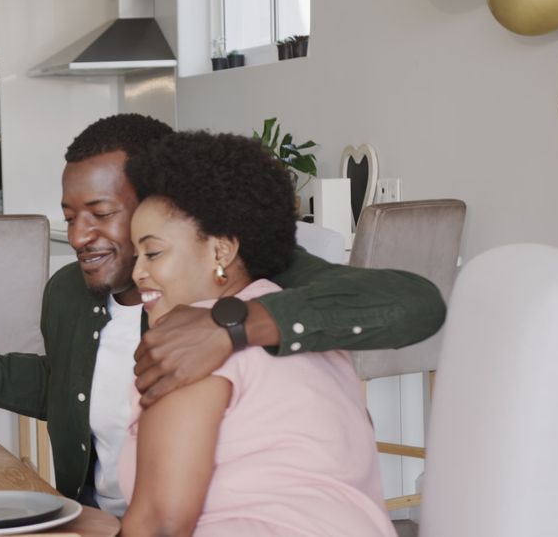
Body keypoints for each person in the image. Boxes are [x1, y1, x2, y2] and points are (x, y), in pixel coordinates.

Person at [0, 114, 445, 514]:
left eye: (101, 213)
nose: (79, 235)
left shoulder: (248, 272)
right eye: (69, 214)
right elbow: (70, 389)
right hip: (100, 518)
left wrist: (229, 324)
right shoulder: (68, 292)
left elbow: (415, 304)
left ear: (162, 206)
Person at [118, 131, 395, 536]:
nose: (138, 272)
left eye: (153, 252)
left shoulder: (190, 344)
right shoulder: (309, 333)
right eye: (136, 254)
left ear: (221, 251)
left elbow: (161, 524)